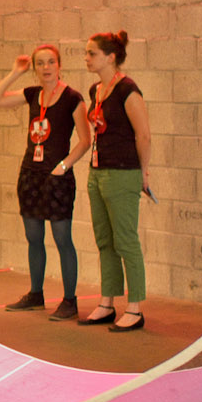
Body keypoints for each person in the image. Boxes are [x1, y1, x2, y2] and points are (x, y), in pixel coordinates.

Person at [0, 44, 91, 321]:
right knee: (34, 237)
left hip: (57, 178)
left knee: (62, 238)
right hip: (30, 174)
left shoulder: (72, 98)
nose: (46, 68)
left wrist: (64, 166)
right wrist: (14, 72)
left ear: (59, 65)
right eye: (40, 64)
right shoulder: (32, 94)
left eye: (51, 62)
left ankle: (70, 301)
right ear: (34, 69)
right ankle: (35, 294)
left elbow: (85, 139)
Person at [72, 31, 153, 332]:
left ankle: (135, 307)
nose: (86, 58)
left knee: (125, 240)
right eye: (86, 53)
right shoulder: (96, 90)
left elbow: (143, 135)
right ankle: (107, 301)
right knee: (104, 240)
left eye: (91, 53)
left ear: (110, 57)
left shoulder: (128, 90)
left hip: (123, 173)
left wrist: (143, 173)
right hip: (98, 171)